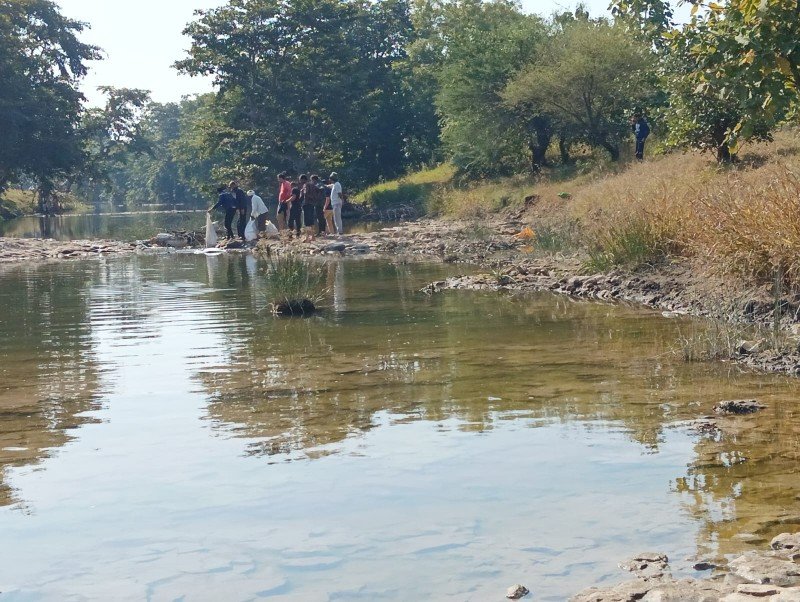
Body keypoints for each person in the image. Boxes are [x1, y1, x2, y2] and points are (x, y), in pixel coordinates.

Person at [302, 175, 318, 242]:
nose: (300, 181)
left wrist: (303, 192)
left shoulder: (306, 185)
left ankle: (307, 238)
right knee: (311, 221)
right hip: (312, 204)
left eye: (300, 180)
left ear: (303, 179)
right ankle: (313, 237)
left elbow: (305, 193)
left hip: (307, 204)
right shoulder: (313, 185)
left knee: (307, 222)